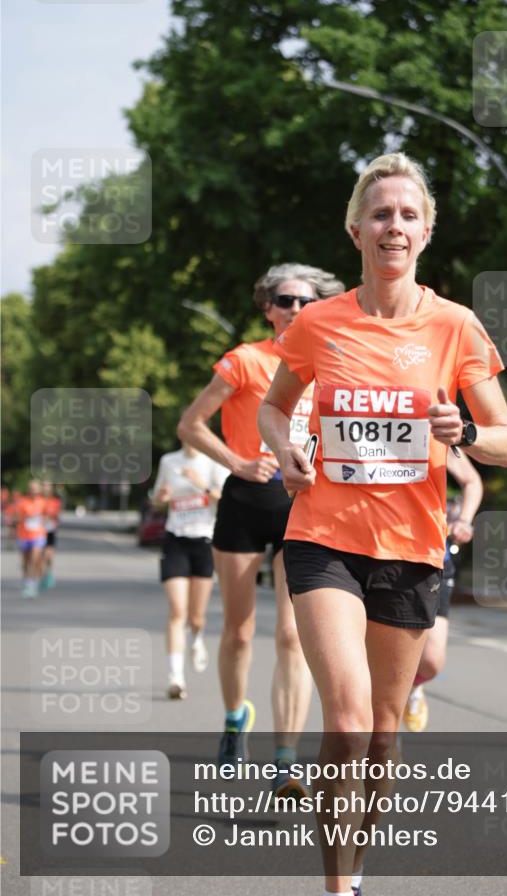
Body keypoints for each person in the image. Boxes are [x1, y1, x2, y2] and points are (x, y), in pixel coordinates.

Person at [259, 152, 507, 896]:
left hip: (409, 548)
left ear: (426, 231)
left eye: (408, 215)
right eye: (380, 214)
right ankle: (336, 888)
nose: (393, 226)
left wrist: (461, 430)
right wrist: (284, 452)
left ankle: (357, 863)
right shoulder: (317, 323)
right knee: (342, 719)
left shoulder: (454, 326)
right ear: (355, 230)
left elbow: (506, 443)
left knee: (380, 735)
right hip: (321, 539)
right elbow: (275, 407)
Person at [178, 263, 344, 792]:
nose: (295, 309)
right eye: (285, 300)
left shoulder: (330, 361)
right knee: (241, 630)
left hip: (304, 506)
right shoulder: (245, 360)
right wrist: (237, 462)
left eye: (304, 301)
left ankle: (286, 758)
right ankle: (233, 722)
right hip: (247, 502)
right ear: (267, 307)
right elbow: (190, 424)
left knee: (294, 635)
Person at [403, 449, 483, 731]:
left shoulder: (437, 432)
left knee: (432, 660)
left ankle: (412, 687)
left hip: (432, 556)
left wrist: (463, 520)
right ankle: (383, 746)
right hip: (372, 553)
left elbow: (472, 481)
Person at [152, 443, 229, 699]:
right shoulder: (169, 461)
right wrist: (160, 498)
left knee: (196, 616)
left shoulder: (214, 461)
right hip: (176, 539)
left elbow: (226, 498)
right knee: (177, 611)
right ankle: (176, 677)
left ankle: (196, 638)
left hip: (204, 540)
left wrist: (201, 484)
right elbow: (157, 500)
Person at [15, 479, 48, 599]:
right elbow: (16, 517)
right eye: (31, 488)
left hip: (38, 535)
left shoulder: (43, 502)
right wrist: (26, 517)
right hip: (24, 535)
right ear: (28, 490)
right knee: (25, 562)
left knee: (34, 559)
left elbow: (46, 516)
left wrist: (43, 520)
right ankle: (26, 580)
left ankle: (32, 584)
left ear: (39, 490)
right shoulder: (22, 502)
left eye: (35, 488)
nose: (33, 491)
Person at [40, 480, 62, 591]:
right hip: (38, 531)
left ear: (51, 488)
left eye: (47, 486)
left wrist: (52, 521)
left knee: (49, 554)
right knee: (42, 555)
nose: (45, 488)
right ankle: (43, 576)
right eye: (44, 486)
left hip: (50, 530)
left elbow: (57, 516)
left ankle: (48, 573)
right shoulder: (38, 500)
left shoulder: (55, 502)